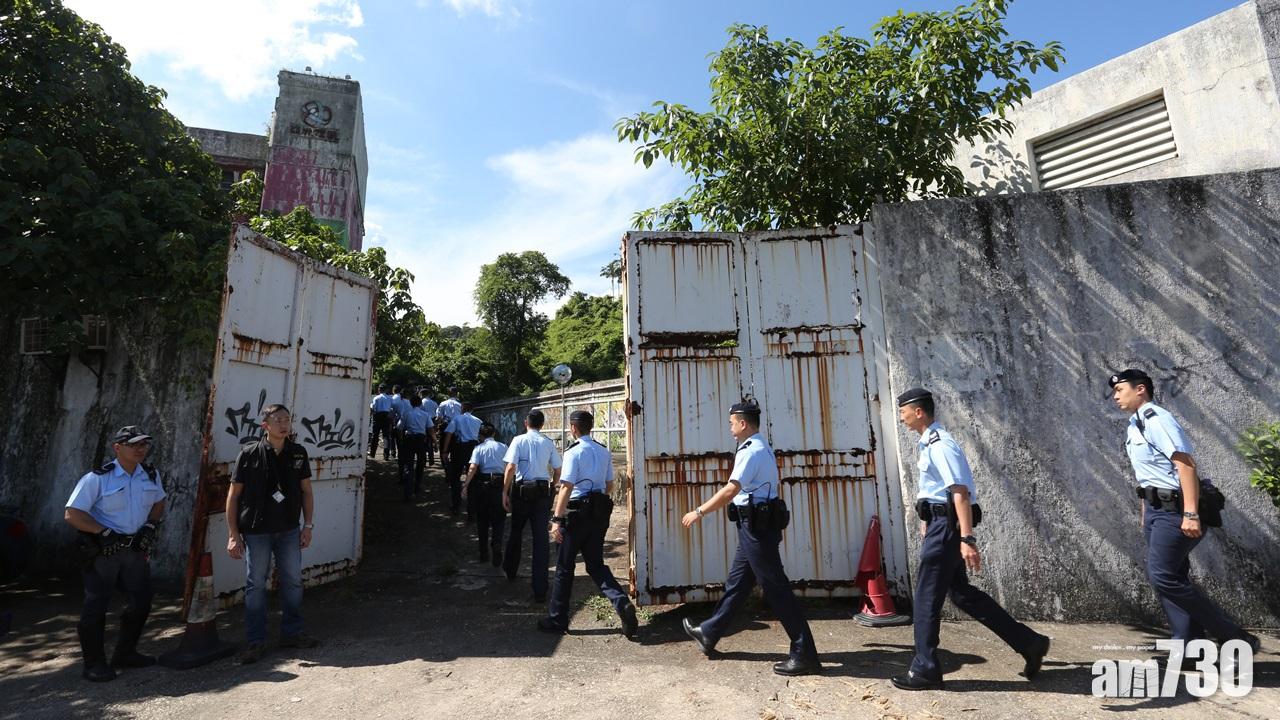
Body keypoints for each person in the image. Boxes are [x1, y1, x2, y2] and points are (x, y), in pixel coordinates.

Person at [891, 388, 1050, 690]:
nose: (901, 418)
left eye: (903, 412)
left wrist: (967, 538)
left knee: (926, 598)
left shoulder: (940, 445)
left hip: (947, 529)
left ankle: (925, 668)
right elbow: (936, 491)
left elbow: (959, 493)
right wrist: (929, 519)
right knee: (962, 594)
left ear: (919, 412)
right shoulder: (929, 443)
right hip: (941, 525)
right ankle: (1029, 642)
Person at [1109, 369, 1261, 665]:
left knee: (1163, 576)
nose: (1115, 396)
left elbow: (1185, 464)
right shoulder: (1134, 424)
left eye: (1120, 390)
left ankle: (1236, 638)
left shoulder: (1157, 419)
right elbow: (1152, 472)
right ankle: (1191, 649)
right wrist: (1146, 510)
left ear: (1141, 390)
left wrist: (1191, 513)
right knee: (1169, 576)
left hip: (1176, 511)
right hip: (1156, 511)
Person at [680, 402, 820, 676]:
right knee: (738, 583)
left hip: (756, 529)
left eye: (732, 423)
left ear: (743, 423)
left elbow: (731, 490)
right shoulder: (760, 446)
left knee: (776, 588)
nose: (730, 429)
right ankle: (709, 632)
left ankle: (805, 654)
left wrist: (699, 511)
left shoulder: (750, 451)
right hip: (754, 526)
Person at [64, 426, 166, 682]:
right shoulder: (97, 478)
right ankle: (94, 664)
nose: (140, 449)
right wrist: (102, 531)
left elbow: (159, 501)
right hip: (104, 552)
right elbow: (73, 514)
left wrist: (151, 525)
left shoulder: (151, 475)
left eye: (143, 444)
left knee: (141, 603)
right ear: (117, 448)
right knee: (96, 606)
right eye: (133, 445)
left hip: (134, 550)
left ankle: (125, 653)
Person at [225, 404, 319, 664]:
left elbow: (307, 492)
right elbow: (233, 496)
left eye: (287, 419)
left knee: (293, 581)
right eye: (278, 419)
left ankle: (292, 633)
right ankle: (255, 641)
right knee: (256, 585)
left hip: (288, 528)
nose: (284, 424)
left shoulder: (298, 454)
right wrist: (233, 534)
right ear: (265, 425)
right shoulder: (249, 454)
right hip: (257, 531)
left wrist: (307, 526)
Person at [538, 411, 638, 638]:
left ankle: (557, 619)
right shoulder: (603, 451)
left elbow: (566, 487)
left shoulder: (573, 452)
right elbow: (610, 485)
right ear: (590, 427)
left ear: (573, 428)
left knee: (564, 567)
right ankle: (621, 602)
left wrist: (556, 519)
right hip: (598, 515)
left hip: (575, 515)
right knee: (595, 565)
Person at [502, 410, 561, 602]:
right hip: (542, 494)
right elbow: (558, 468)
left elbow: (511, 467)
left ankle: (510, 570)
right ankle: (540, 589)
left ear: (526, 422)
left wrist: (505, 491)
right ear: (542, 425)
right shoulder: (548, 442)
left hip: (521, 493)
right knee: (541, 541)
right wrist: (553, 485)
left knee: (516, 533)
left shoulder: (518, 440)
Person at [463, 423, 509, 564]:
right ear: (494, 434)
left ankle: (483, 553)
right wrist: (507, 490)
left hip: (482, 486)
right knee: (499, 519)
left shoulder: (478, 448)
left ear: (481, 436)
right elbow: (509, 468)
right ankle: (497, 544)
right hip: (499, 485)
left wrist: (465, 485)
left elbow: (472, 468)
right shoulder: (504, 447)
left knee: (482, 520)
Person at [442, 402, 483, 515]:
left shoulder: (456, 419)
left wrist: (445, 451)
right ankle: (472, 510)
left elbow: (449, 434)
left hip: (459, 449)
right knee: (473, 478)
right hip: (474, 449)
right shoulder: (478, 421)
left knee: (455, 478)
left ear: (462, 409)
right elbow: (481, 437)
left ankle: (456, 505)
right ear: (472, 410)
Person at [398, 394, 434, 502]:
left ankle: (407, 491)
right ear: (420, 403)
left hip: (409, 439)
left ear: (410, 403)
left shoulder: (406, 413)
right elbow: (431, 429)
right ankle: (417, 486)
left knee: (408, 465)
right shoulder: (425, 414)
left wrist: (401, 440)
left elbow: (400, 428)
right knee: (420, 463)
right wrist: (435, 442)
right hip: (421, 440)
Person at [369, 384, 394, 460]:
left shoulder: (376, 398)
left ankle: (372, 453)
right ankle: (386, 455)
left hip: (378, 416)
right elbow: (391, 408)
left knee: (375, 435)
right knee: (386, 436)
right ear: (386, 390)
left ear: (379, 390)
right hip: (386, 416)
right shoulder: (390, 398)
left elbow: (374, 408)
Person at [418, 388, 440, 466]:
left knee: (423, 441)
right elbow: (437, 414)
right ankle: (431, 460)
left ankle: (423, 461)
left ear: (421, 394)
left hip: (423, 422)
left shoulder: (421, 403)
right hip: (432, 421)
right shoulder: (434, 403)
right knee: (431, 440)